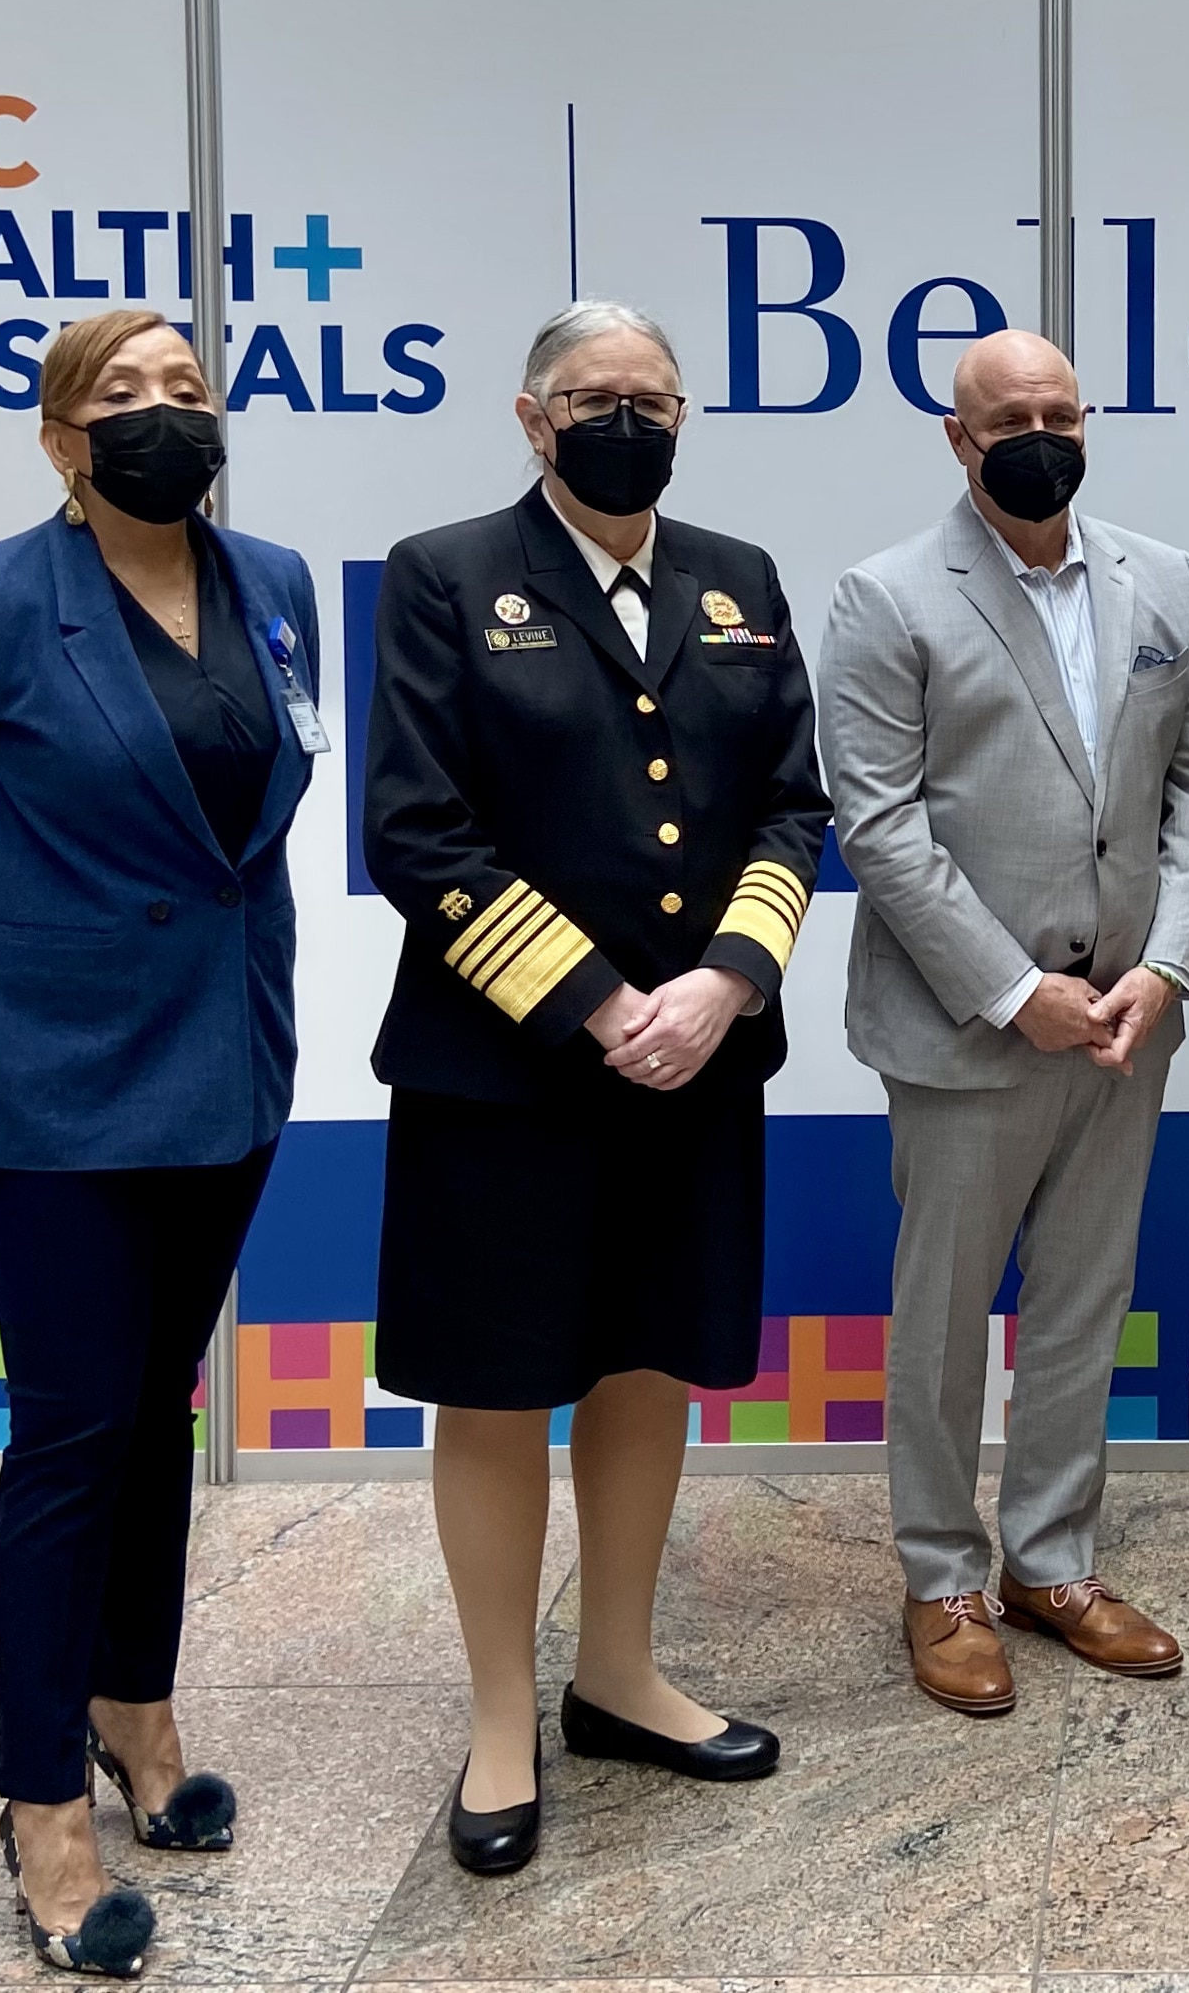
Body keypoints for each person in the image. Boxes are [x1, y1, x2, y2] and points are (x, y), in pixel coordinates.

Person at [0, 308, 321, 1976]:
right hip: (50, 1077)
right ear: (63, 438)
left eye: (185, 391)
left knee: (161, 1401)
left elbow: (258, 803)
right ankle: (39, 1791)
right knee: (72, 1425)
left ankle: (140, 1695)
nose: (158, 415)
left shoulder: (276, 576)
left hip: (226, 1060)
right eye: (120, 395)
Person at [363, 299, 826, 1872]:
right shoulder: (447, 576)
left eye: (651, 392)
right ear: (528, 414)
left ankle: (619, 1673)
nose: (624, 415)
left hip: (696, 1062)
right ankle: (504, 1715)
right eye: (591, 393)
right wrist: (597, 1003)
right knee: (498, 1387)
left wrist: (726, 983)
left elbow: (792, 809)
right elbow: (417, 830)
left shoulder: (740, 580)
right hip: (508, 1071)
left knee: (646, 1362)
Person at [820, 329, 1189, 1716]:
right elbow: (879, 828)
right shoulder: (885, 599)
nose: (1040, 434)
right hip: (969, 1030)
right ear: (958, 437)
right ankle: (941, 1579)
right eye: (1010, 417)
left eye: (1061, 411)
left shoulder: (1164, 578)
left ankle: (1053, 1563)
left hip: (1125, 1024)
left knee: (1080, 1303)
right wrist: (1015, 991)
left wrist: (1166, 969)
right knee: (944, 1317)